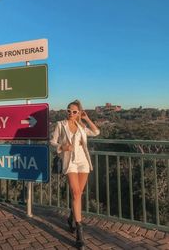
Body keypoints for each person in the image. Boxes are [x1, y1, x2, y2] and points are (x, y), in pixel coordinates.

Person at [50, 100, 100, 248]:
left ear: (79, 112)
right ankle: (80, 232)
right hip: (70, 162)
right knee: (76, 192)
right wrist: (62, 146)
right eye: (69, 111)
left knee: (79, 193)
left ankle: (72, 216)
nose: (70, 113)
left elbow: (96, 132)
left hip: (83, 162)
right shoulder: (61, 124)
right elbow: (52, 142)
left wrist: (86, 118)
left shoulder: (81, 126)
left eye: (74, 111)